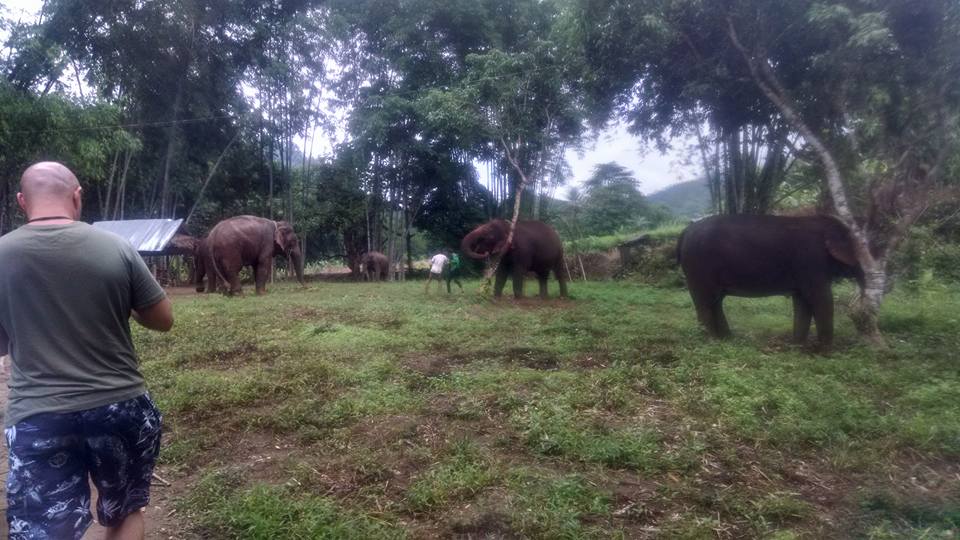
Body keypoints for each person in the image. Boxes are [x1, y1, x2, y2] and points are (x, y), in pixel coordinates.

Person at [0, 162, 174, 540]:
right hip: (119, 405)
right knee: (126, 511)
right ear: (77, 197)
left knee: (46, 529)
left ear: (20, 202)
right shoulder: (116, 247)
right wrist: (117, 301)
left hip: (38, 415)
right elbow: (162, 319)